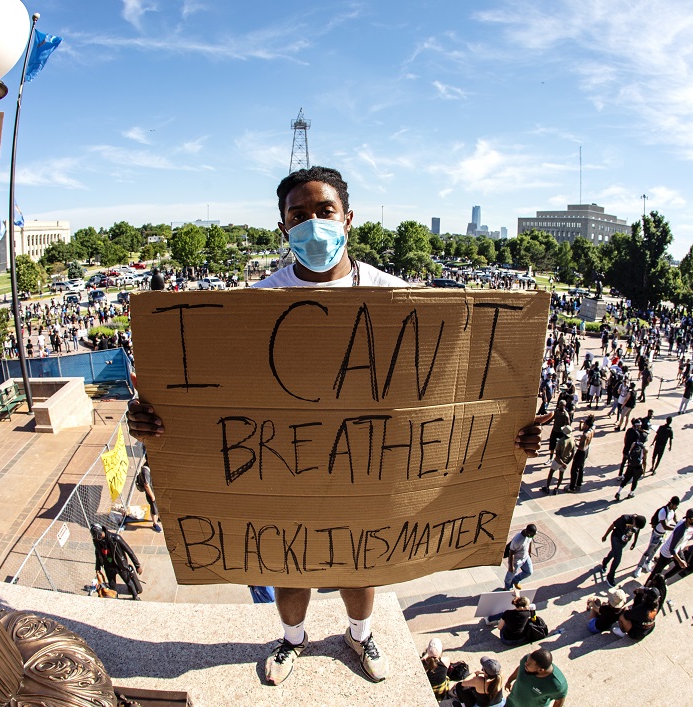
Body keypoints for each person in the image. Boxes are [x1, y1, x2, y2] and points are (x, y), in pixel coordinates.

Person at [125, 166, 552, 687]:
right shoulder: (251, 306)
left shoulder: (397, 297)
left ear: (347, 218)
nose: (311, 225)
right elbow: (205, 404)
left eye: (322, 212)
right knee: (287, 561)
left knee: (360, 559)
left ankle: (360, 631)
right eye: (297, 216)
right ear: (283, 228)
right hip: (282, 470)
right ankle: (292, 639)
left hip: (366, 471)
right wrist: (153, 420)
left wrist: (510, 433)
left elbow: (454, 399)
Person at [90, 523, 143, 600]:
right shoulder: (97, 541)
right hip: (109, 566)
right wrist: (97, 567)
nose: (98, 539)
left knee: (128, 581)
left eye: (98, 537)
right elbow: (98, 553)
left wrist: (137, 565)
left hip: (120, 564)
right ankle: (115, 599)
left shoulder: (116, 538)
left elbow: (129, 551)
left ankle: (135, 596)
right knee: (112, 585)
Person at [634, 496, 680, 577]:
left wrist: (677, 522)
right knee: (648, 551)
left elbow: (674, 516)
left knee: (655, 550)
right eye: (675, 505)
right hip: (656, 534)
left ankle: (647, 563)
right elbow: (665, 526)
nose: (676, 507)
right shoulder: (663, 512)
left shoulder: (672, 511)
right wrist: (676, 528)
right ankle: (639, 567)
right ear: (672, 504)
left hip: (663, 534)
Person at [649, 508, 693, 577]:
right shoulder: (681, 531)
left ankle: (664, 578)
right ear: (688, 519)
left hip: (677, 549)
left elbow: (691, 529)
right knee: (656, 572)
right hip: (667, 553)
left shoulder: (684, 522)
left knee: (680, 566)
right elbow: (672, 549)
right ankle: (647, 585)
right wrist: (680, 561)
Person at [599, 514, 645, 586]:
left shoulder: (638, 523)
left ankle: (605, 561)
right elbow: (613, 525)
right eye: (636, 526)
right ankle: (610, 577)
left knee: (614, 552)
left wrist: (634, 542)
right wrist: (605, 536)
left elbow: (637, 531)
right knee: (617, 559)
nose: (635, 527)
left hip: (624, 541)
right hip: (616, 538)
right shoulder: (625, 519)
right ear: (634, 521)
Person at [614, 424, 647, 501]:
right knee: (634, 481)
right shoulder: (644, 449)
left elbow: (630, 452)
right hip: (637, 467)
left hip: (630, 465)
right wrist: (644, 471)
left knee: (626, 479)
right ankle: (631, 493)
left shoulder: (634, 444)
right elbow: (644, 461)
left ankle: (618, 492)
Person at [504, 525, 538, 591]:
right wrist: (511, 566)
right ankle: (507, 587)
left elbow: (530, 542)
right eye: (531, 535)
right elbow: (511, 553)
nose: (532, 536)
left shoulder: (530, 535)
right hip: (517, 560)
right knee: (510, 575)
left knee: (529, 572)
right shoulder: (517, 540)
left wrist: (529, 552)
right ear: (527, 531)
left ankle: (515, 580)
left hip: (525, 557)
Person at [567, 415, 594, 492]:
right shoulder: (592, 430)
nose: (583, 425)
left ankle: (572, 487)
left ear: (587, 425)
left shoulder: (585, 435)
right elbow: (581, 430)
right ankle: (579, 483)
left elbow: (581, 446)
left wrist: (574, 443)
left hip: (581, 452)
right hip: (586, 450)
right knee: (581, 467)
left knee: (574, 469)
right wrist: (580, 424)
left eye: (584, 424)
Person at [545, 425, 575, 495]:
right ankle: (557, 488)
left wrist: (561, 462)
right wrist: (566, 463)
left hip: (558, 461)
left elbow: (557, 454)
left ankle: (547, 487)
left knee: (551, 473)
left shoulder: (561, 441)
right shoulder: (572, 441)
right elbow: (572, 453)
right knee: (561, 475)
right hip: (566, 461)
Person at [135, 460, 163, 532]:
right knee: (154, 507)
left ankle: (158, 518)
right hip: (151, 493)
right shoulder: (145, 471)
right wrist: (152, 497)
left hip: (154, 490)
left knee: (157, 506)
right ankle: (155, 523)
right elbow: (146, 485)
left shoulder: (149, 466)